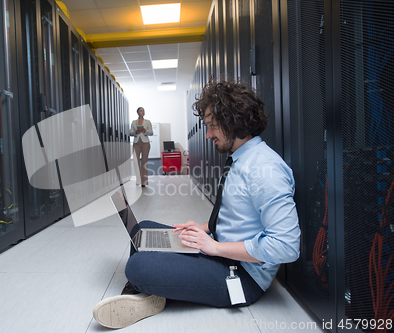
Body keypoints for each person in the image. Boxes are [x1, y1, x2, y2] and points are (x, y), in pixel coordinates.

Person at [92, 78, 301, 329]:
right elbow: (240, 217)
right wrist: (205, 228)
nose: (208, 134)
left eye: (212, 126)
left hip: (242, 276)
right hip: (221, 251)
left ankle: (143, 289)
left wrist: (215, 248)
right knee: (143, 229)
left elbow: (286, 246)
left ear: (233, 120)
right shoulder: (242, 158)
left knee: (137, 265)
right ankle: (146, 291)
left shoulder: (265, 168)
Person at [130, 107, 153, 187]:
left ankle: (144, 182)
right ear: (137, 113)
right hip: (136, 142)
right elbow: (130, 133)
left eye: (143, 110)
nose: (143, 112)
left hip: (145, 143)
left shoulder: (147, 122)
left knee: (144, 162)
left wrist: (145, 131)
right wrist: (135, 132)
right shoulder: (134, 122)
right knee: (136, 162)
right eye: (141, 110)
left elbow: (151, 133)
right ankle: (138, 180)